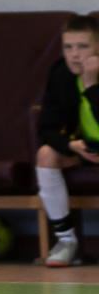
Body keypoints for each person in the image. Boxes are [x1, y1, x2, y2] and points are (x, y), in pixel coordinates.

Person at [36, 14, 99, 267]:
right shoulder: (61, 73)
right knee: (46, 155)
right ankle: (66, 241)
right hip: (84, 150)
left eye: (83, 46)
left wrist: (91, 84)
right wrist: (73, 146)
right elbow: (46, 128)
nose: (74, 55)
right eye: (68, 47)